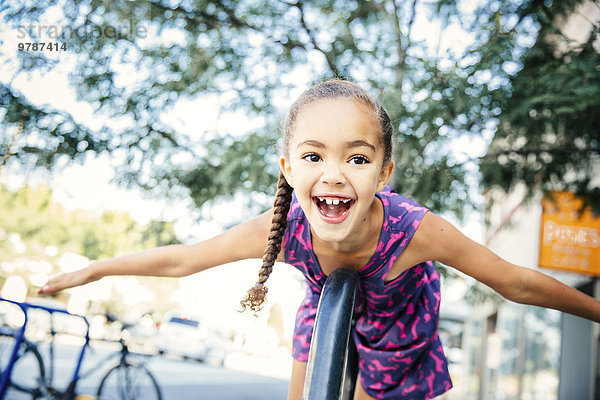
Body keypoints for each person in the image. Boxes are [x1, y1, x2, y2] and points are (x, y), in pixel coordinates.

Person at [39, 79, 600, 400]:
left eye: (357, 158)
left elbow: (517, 282)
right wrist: (93, 271)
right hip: (324, 309)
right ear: (288, 169)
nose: (334, 174)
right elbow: (183, 260)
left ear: (383, 174)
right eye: (314, 156)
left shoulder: (417, 232)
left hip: (397, 329)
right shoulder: (280, 231)